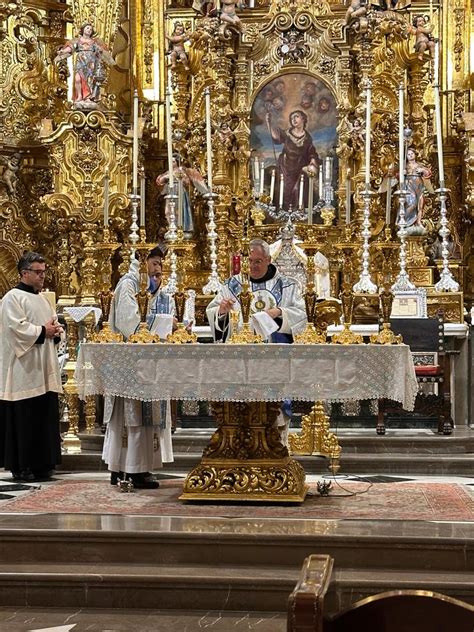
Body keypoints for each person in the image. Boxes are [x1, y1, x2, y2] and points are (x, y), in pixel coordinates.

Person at [206, 239, 307, 445]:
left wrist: (279, 312)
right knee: (240, 412)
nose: (253, 265)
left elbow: (302, 315)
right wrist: (222, 311)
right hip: (239, 364)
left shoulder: (287, 285)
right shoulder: (232, 285)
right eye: (250, 261)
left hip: (274, 361)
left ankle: (277, 452)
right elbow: (213, 313)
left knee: (273, 414)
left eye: (258, 261)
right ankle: (239, 451)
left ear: (269, 260)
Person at [102, 248, 175, 489]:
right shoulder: (128, 285)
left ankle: (138, 466)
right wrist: (166, 322)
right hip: (131, 362)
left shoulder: (153, 288)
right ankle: (129, 468)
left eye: (160, 263)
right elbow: (128, 324)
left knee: (146, 418)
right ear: (142, 262)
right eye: (154, 263)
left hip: (148, 363)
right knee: (131, 417)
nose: (158, 268)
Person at [0, 252, 63, 482]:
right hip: (23, 370)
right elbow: (15, 329)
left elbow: (53, 325)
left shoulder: (43, 299)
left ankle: (42, 463)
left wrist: (56, 332)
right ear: (24, 273)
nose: (42, 276)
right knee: (25, 418)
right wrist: (41, 331)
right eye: (38, 272)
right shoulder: (12, 298)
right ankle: (22, 465)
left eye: (44, 271)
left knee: (43, 415)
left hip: (43, 367)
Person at [266, 110, 320, 210]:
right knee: (285, 191)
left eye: (296, 117)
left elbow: (311, 152)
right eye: (292, 118)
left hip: (300, 168)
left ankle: (298, 213)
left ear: (303, 119)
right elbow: (277, 137)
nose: (293, 120)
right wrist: (270, 123)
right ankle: (283, 214)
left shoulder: (307, 138)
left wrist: (312, 161)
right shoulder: (287, 133)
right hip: (285, 167)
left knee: (299, 189)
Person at [54, 23, 116, 106]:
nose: (89, 30)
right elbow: (71, 48)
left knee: (89, 81)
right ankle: (79, 95)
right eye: (87, 28)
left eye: (90, 29)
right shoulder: (78, 41)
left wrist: (100, 52)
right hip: (80, 62)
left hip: (90, 63)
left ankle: (87, 97)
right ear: (83, 30)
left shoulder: (93, 42)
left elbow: (99, 50)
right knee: (77, 79)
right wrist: (63, 51)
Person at [156, 157, 209, 235]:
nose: (172, 163)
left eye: (173, 161)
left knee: (180, 211)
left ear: (177, 162)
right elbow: (159, 182)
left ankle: (180, 228)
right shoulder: (167, 172)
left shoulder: (182, 171)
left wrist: (177, 177)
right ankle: (172, 227)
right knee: (168, 211)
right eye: (170, 161)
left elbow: (187, 182)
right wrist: (166, 177)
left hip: (180, 192)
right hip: (170, 192)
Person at [403, 147, 433, 231]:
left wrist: (422, 170)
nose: (410, 155)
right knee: (412, 203)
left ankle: (418, 221)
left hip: (419, 186)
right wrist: (402, 173)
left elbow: (428, 173)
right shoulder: (405, 166)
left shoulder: (419, 165)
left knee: (420, 204)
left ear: (415, 155)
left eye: (412, 153)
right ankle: (406, 221)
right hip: (409, 185)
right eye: (408, 154)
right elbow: (395, 174)